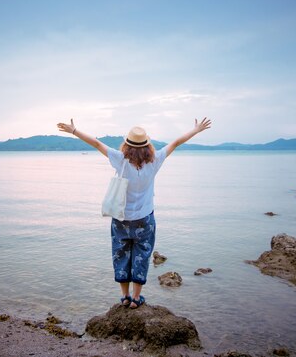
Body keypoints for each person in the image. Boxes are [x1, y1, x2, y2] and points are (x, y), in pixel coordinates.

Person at [57, 117, 212, 309]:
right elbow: (176, 143)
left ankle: (124, 296)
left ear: (127, 145)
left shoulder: (120, 160)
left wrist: (74, 131)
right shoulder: (155, 161)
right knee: (142, 255)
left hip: (121, 219)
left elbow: (96, 143)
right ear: (147, 146)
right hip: (145, 219)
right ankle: (137, 298)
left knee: (121, 255)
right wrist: (196, 130)